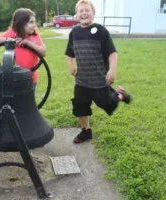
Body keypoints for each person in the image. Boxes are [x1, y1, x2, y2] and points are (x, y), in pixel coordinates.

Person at [65, 0, 131, 144]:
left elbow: (112, 53)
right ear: (76, 15)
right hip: (81, 81)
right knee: (79, 106)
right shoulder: (74, 32)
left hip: (99, 80)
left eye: (87, 10)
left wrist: (112, 70)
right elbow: (69, 53)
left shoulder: (101, 31)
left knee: (107, 104)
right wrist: (70, 65)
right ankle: (85, 131)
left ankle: (120, 95)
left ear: (93, 13)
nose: (84, 13)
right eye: (80, 11)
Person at [0, 8, 46, 88]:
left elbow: (43, 53)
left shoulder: (35, 36)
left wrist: (29, 43)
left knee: (28, 100)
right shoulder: (12, 33)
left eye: (34, 22)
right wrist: (12, 41)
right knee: (15, 100)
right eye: (31, 22)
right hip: (13, 79)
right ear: (21, 23)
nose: (34, 25)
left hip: (30, 79)